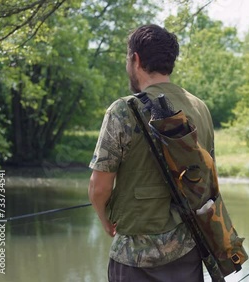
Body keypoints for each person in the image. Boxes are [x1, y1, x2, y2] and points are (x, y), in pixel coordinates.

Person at [88, 24, 214, 282]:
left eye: (127, 58)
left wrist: (104, 219)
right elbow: (209, 180)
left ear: (135, 59)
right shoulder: (199, 108)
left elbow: (99, 189)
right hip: (188, 252)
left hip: (135, 259)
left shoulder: (122, 110)